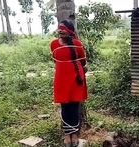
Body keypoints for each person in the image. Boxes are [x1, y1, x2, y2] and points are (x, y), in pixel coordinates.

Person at [49, 19, 88, 147]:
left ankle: (75, 134)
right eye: (59, 28)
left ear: (70, 31)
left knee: (75, 106)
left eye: (63, 28)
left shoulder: (77, 44)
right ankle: (67, 134)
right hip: (61, 79)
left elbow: (83, 61)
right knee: (64, 106)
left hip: (76, 78)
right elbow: (55, 60)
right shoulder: (53, 44)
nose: (60, 30)